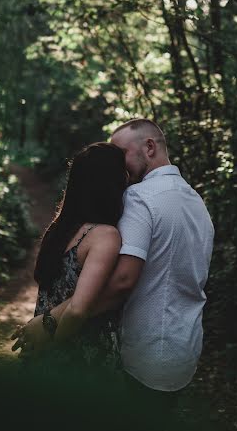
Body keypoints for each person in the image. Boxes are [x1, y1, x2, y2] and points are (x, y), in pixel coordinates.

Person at [12, 119, 214, 398]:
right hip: (185, 347)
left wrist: (49, 322)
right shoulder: (196, 202)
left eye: (122, 154)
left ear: (150, 147)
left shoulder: (139, 198)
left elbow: (121, 281)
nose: (121, 167)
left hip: (143, 349)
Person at [11, 141, 128, 367]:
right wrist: (51, 345)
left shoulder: (59, 229)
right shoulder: (105, 236)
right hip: (79, 356)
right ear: (112, 184)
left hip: (46, 345)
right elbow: (77, 310)